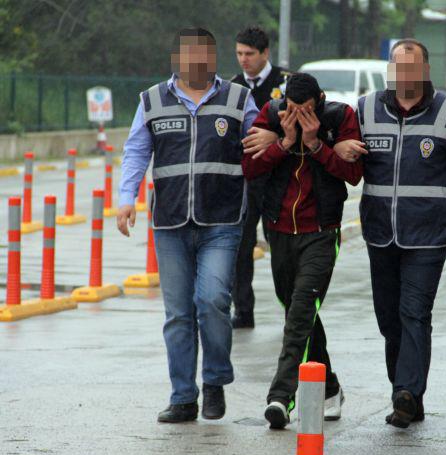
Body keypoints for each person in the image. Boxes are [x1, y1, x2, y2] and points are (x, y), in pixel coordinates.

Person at [346, 39, 446, 428]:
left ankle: (405, 394)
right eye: (398, 68)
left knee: (414, 313)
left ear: (425, 71)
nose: (404, 75)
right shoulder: (365, 109)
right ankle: (409, 391)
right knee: (388, 320)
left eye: (412, 68)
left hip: (427, 236)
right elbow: (340, 150)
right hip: (380, 234)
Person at [116, 27, 258, 423]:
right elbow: (135, 152)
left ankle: (214, 380)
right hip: (171, 222)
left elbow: (261, 144)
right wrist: (126, 199)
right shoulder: (151, 100)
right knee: (178, 314)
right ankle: (182, 396)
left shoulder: (238, 99)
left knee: (212, 301)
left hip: (223, 220)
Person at [242, 73, 363, 429]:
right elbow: (249, 167)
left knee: (298, 317)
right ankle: (331, 387)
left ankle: (280, 397)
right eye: (292, 110)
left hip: (321, 232)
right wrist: (284, 140)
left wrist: (316, 145)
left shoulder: (340, 118)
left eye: (306, 110)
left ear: (320, 101)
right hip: (278, 231)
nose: (297, 116)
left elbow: (353, 174)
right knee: (299, 311)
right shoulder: (272, 113)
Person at [229, 26, 291, 329]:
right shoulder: (232, 87)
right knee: (240, 245)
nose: (243, 60)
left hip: (280, 179)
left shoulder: (287, 83)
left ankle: (291, 309)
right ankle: (243, 309)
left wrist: (273, 136)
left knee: (280, 246)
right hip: (247, 179)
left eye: (249, 54)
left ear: (265, 53)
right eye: (239, 53)